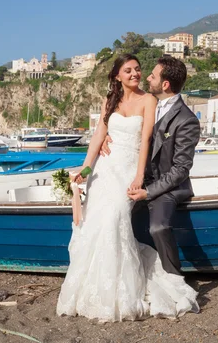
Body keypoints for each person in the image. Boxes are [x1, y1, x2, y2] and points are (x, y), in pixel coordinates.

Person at [56, 54, 199, 322]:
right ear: (117, 76)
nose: (136, 74)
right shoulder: (109, 100)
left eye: (139, 69)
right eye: (128, 70)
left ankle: (120, 292)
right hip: (105, 167)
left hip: (128, 169)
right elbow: (99, 135)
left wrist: (137, 176)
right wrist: (86, 169)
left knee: (114, 219)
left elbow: (145, 141)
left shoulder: (149, 100)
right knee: (92, 224)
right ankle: (90, 287)